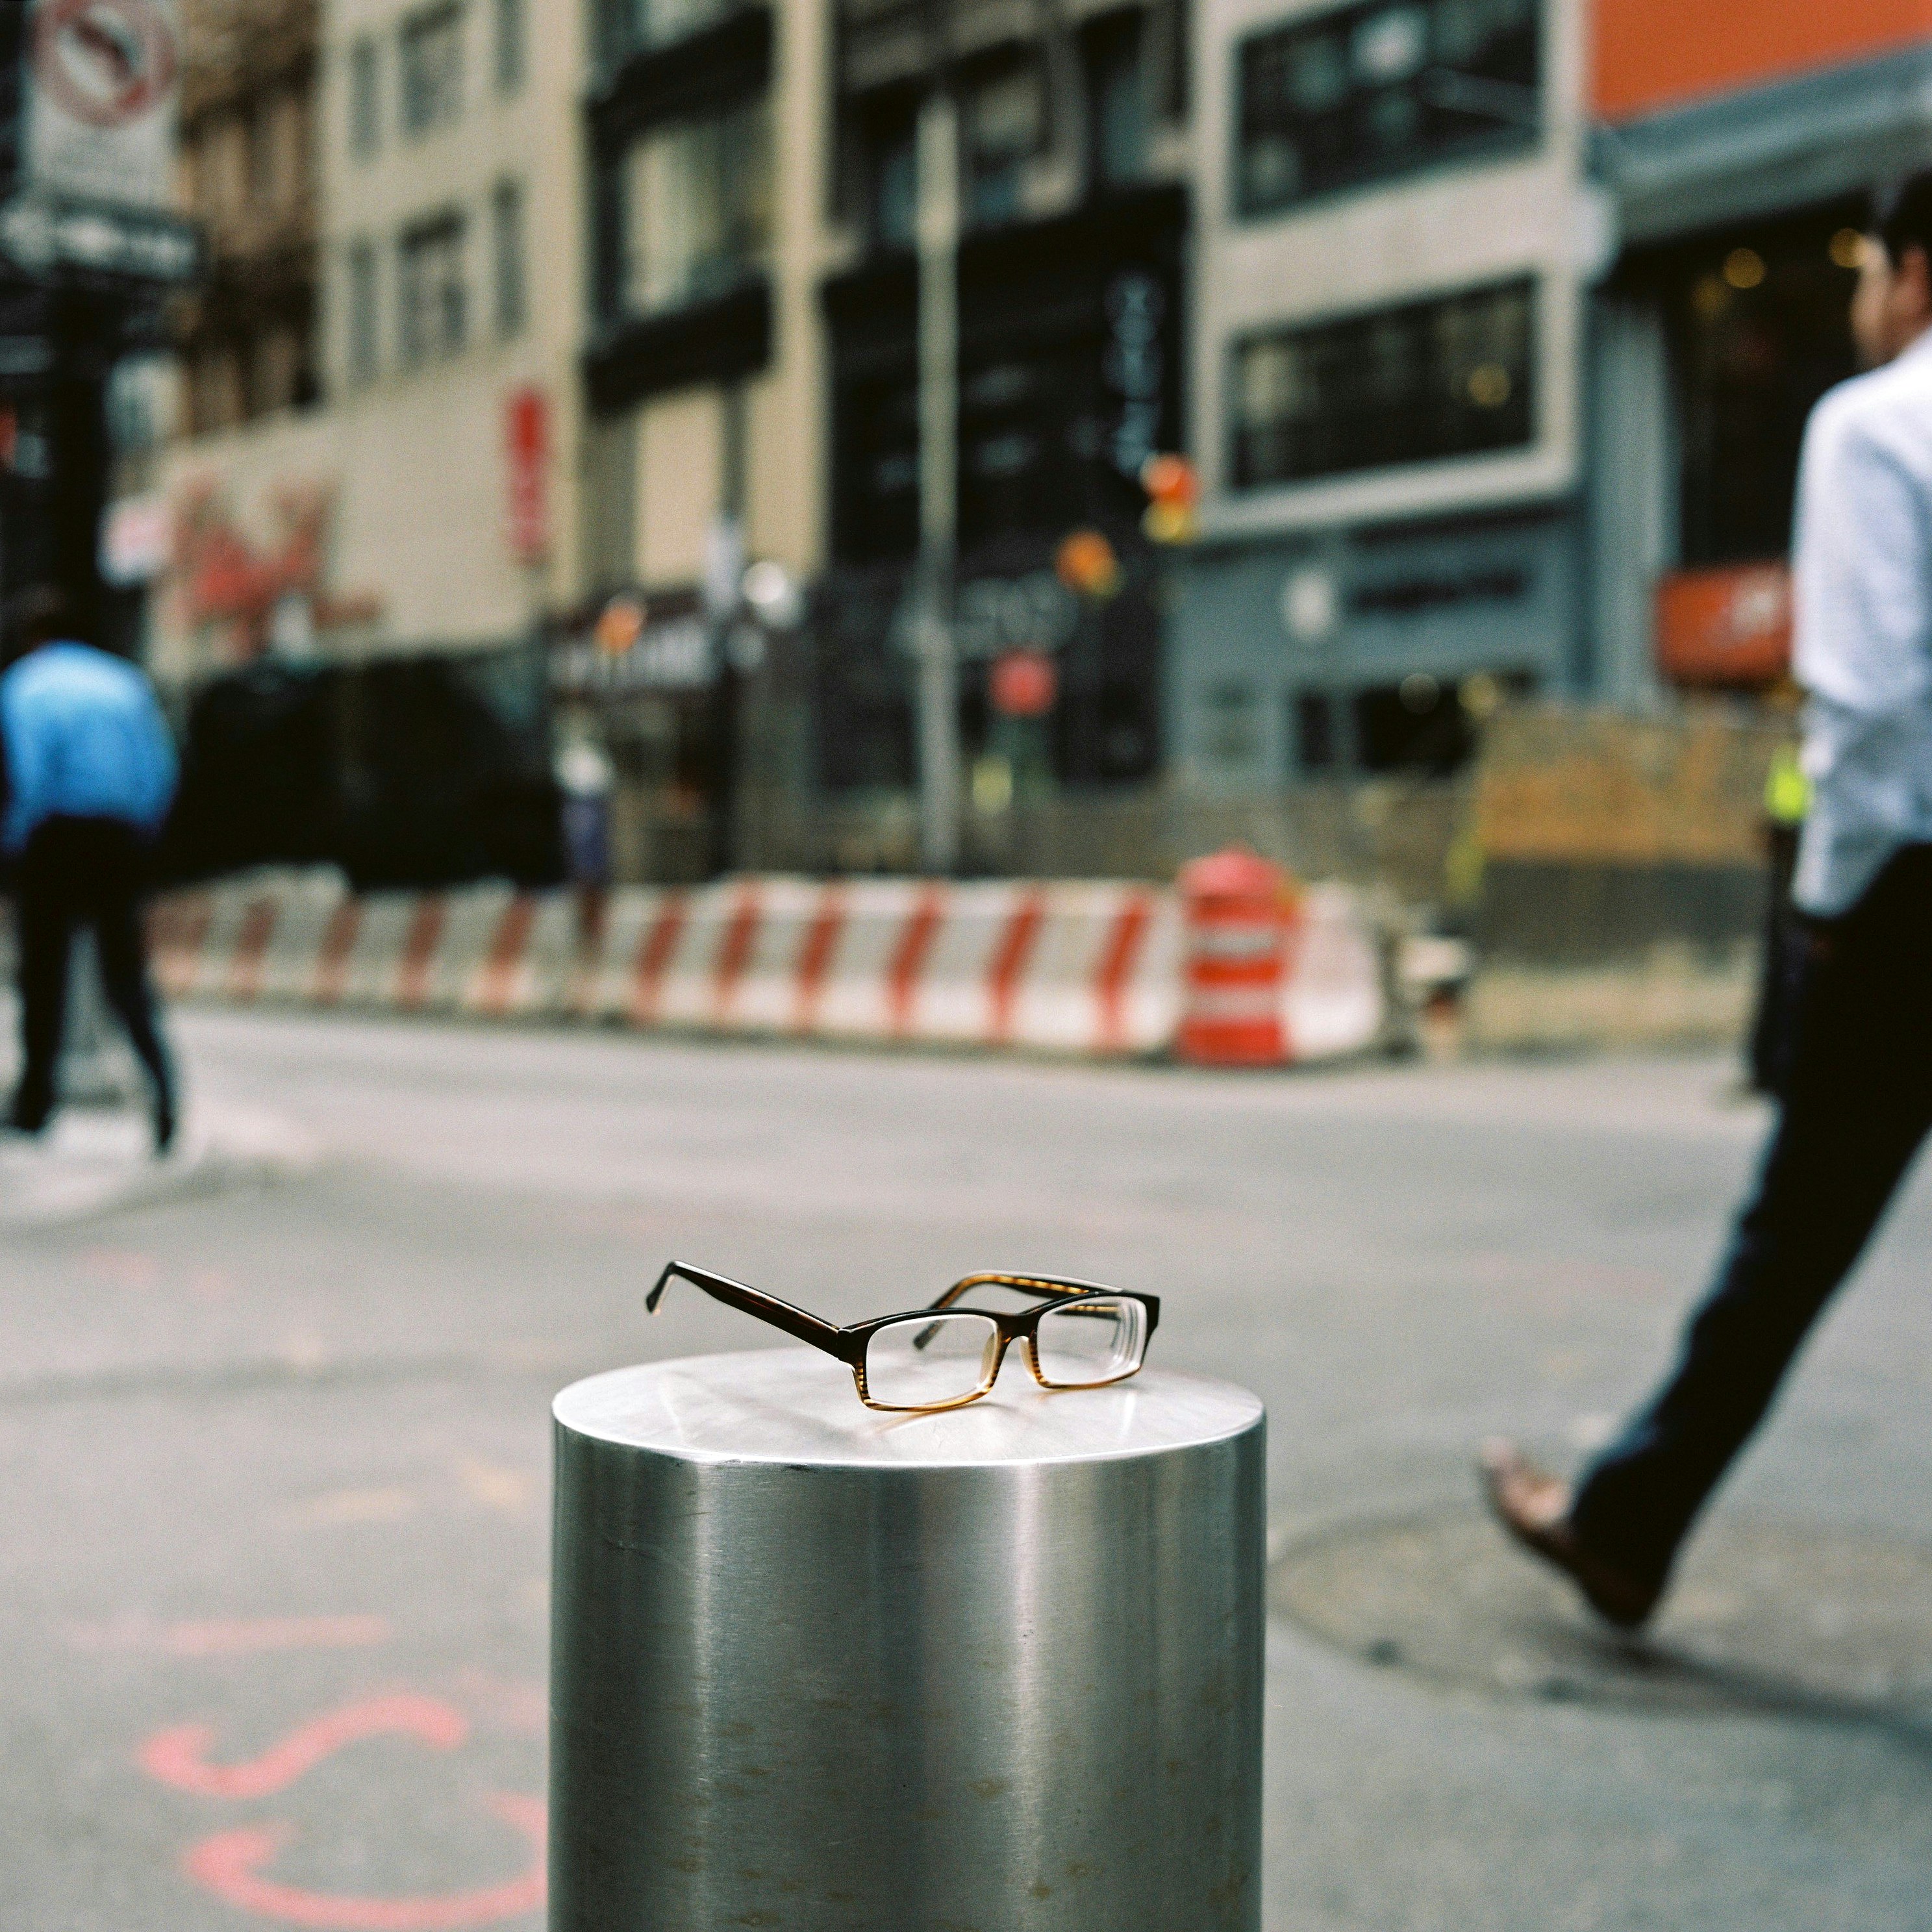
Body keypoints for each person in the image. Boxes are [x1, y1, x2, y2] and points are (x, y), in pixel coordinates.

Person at [1483, 173, 1932, 1629]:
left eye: (1866, 265)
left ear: (1910, 272)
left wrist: (1823, 902)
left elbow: (1865, 704)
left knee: (1792, 1230)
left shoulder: (1875, 424)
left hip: (1909, 901)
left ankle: (1627, 1520)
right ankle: (1627, 1515)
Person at [0, 586, 180, 1153]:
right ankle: (164, 1091)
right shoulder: (126, 682)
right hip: (119, 840)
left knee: (43, 977)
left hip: (57, 836)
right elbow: (160, 770)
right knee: (125, 974)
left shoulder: (26, 685)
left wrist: (18, 838)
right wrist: (142, 832)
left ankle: (35, 1106)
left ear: (35, 637)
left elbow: (29, 771)